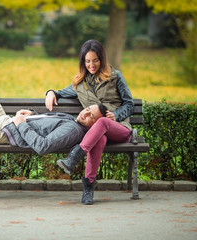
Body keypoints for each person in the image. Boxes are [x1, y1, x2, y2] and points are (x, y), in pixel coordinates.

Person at [45, 39, 134, 205]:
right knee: (99, 138)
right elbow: (60, 92)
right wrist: (51, 92)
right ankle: (88, 188)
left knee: (102, 122)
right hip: (97, 134)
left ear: (101, 59)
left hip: (119, 128)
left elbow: (129, 104)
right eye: (87, 61)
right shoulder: (79, 84)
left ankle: (74, 157)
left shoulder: (115, 76)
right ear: (82, 62)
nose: (91, 65)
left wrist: (116, 115)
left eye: (95, 60)